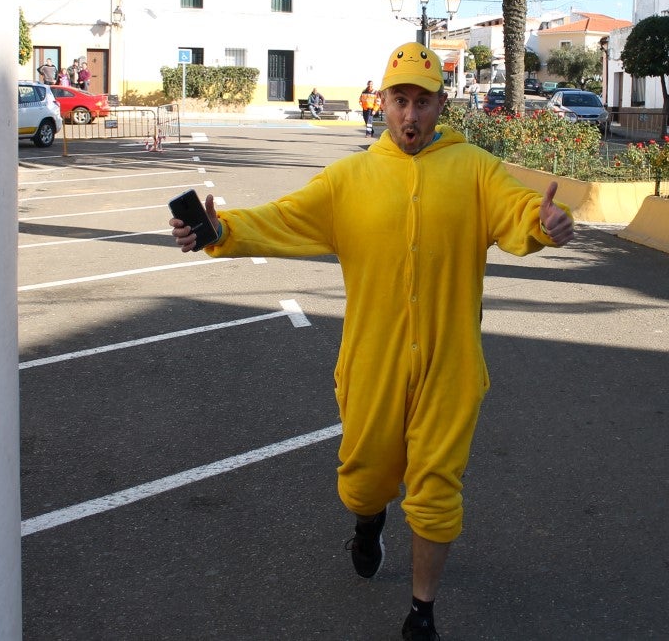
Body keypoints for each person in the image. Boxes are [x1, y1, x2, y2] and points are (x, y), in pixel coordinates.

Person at [169, 42, 574, 641]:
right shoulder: (349, 179)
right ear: (381, 102)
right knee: (364, 479)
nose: (411, 115)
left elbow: (520, 212)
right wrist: (219, 230)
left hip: (450, 363)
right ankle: (367, 522)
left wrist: (546, 225)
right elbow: (284, 216)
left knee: (437, 488)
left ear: (442, 105)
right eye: (400, 100)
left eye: (424, 102)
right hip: (371, 362)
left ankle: (422, 612)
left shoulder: (476, 170)